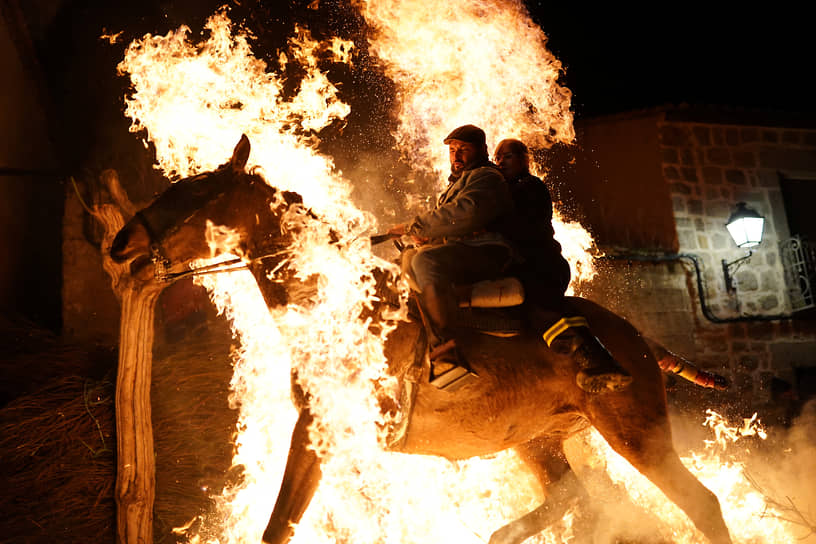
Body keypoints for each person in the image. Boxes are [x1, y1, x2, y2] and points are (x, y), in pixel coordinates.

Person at [494, 138, 632, 393]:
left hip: (541, 266)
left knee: (540, 306)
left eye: (507, 156)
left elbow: (520, 227)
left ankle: (594, 359)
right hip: (527, 264)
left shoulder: (529, 187)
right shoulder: (506, 189)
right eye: (497, 157)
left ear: (525, 160)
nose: (500, 161)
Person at [388, 125, 514, 387]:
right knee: (406, 260)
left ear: (481, 150)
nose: (456, 156)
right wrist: (427, 238)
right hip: (464, 249)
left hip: (486, 251)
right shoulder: (455, 185)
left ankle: (445, 353)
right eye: (453, 150)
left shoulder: (487, 177)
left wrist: (414, 226)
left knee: (426, 261)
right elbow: (450, 226)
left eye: (463, 150)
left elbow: (465, 213)